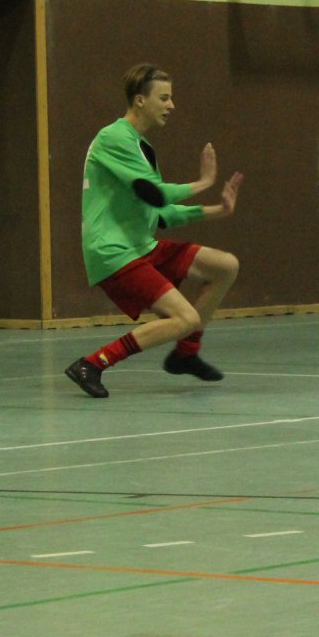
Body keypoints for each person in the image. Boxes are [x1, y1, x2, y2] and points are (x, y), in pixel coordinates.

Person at [63, 64, 244, 399]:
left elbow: (160, 213)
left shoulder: (141, 146)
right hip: (113, 252)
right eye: (164, 98)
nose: (171, 105)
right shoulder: (114, 138)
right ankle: (92, 363)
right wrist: (203, 182)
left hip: (140, 246)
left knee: (225, 266)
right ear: (140, 101)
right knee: (185, 317)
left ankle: (185, 354)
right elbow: (156, 194)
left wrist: (217, 209)